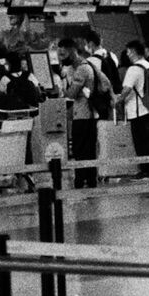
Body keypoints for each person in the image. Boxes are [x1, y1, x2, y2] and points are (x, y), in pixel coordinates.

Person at [56, 37, 109, 189]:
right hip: (84, 114)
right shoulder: (78, 67)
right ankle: (89, 180)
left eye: (63, 55)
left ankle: (82, 180)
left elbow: (71, 94)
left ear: (72, 51)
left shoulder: (82, 69)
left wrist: (60, 89)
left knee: (81, 149)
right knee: (87, 149)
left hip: (85, 115)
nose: (62, 59)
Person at [119, 39, 149, 176]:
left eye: (128, 51)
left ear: (133, 52)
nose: (127, 54)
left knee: (141, 143)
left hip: (138, 112)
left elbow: (126, 89)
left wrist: (117, 101)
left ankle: (146, 171)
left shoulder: (134, 69)